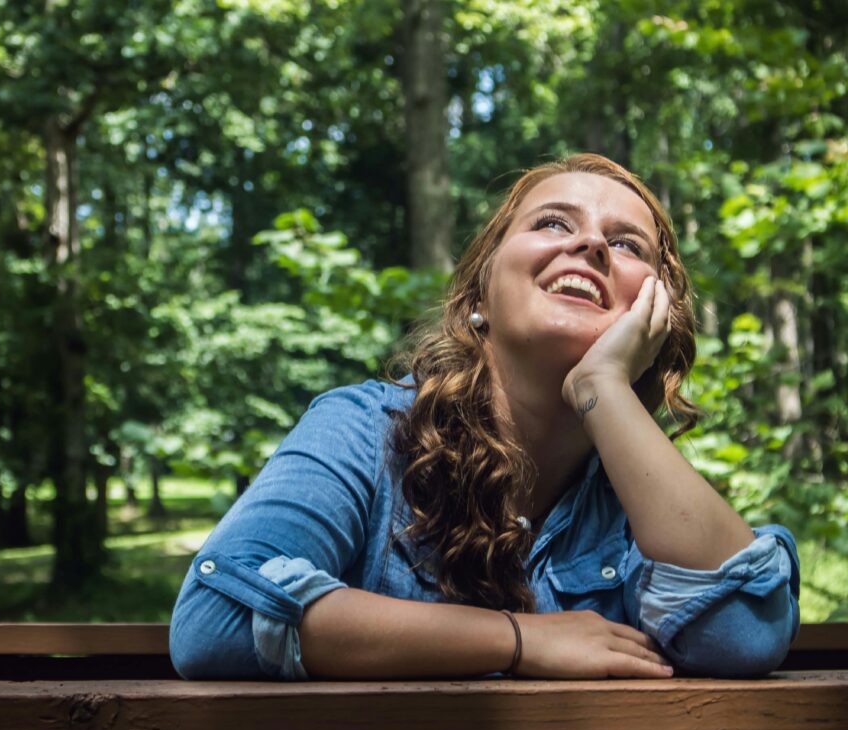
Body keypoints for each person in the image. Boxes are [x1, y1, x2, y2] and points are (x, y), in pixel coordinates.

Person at [168, 153, 800, 681]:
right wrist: (519, 640)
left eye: (625, 243)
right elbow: (215, 618)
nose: (589, 244)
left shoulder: (644, 504)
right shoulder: (363, 429)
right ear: (479, 294)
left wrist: (603, 386)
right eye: (553, 223)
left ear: (656, 313)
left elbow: (742, 636)